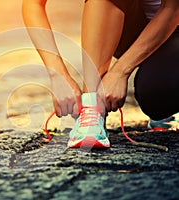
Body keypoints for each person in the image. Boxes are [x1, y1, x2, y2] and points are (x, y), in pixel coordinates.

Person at [22, 0, 179, 148]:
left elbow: (172, 8)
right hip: (134, 24)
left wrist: (120, 71)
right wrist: (58, 76)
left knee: (156, 92)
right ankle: (92, 106)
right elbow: (33, 4)